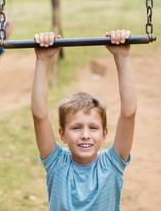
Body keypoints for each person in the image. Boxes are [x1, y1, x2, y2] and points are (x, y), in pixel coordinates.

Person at [31, 30, 136, 210]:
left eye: (93, 128)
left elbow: (128, 113)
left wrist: (122, 56)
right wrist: (43, 59)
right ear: (62, 135)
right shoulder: (57, 164)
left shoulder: (111, 164)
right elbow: (39, 115)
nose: (85, 135)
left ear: (104, 134)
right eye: (76, 128)